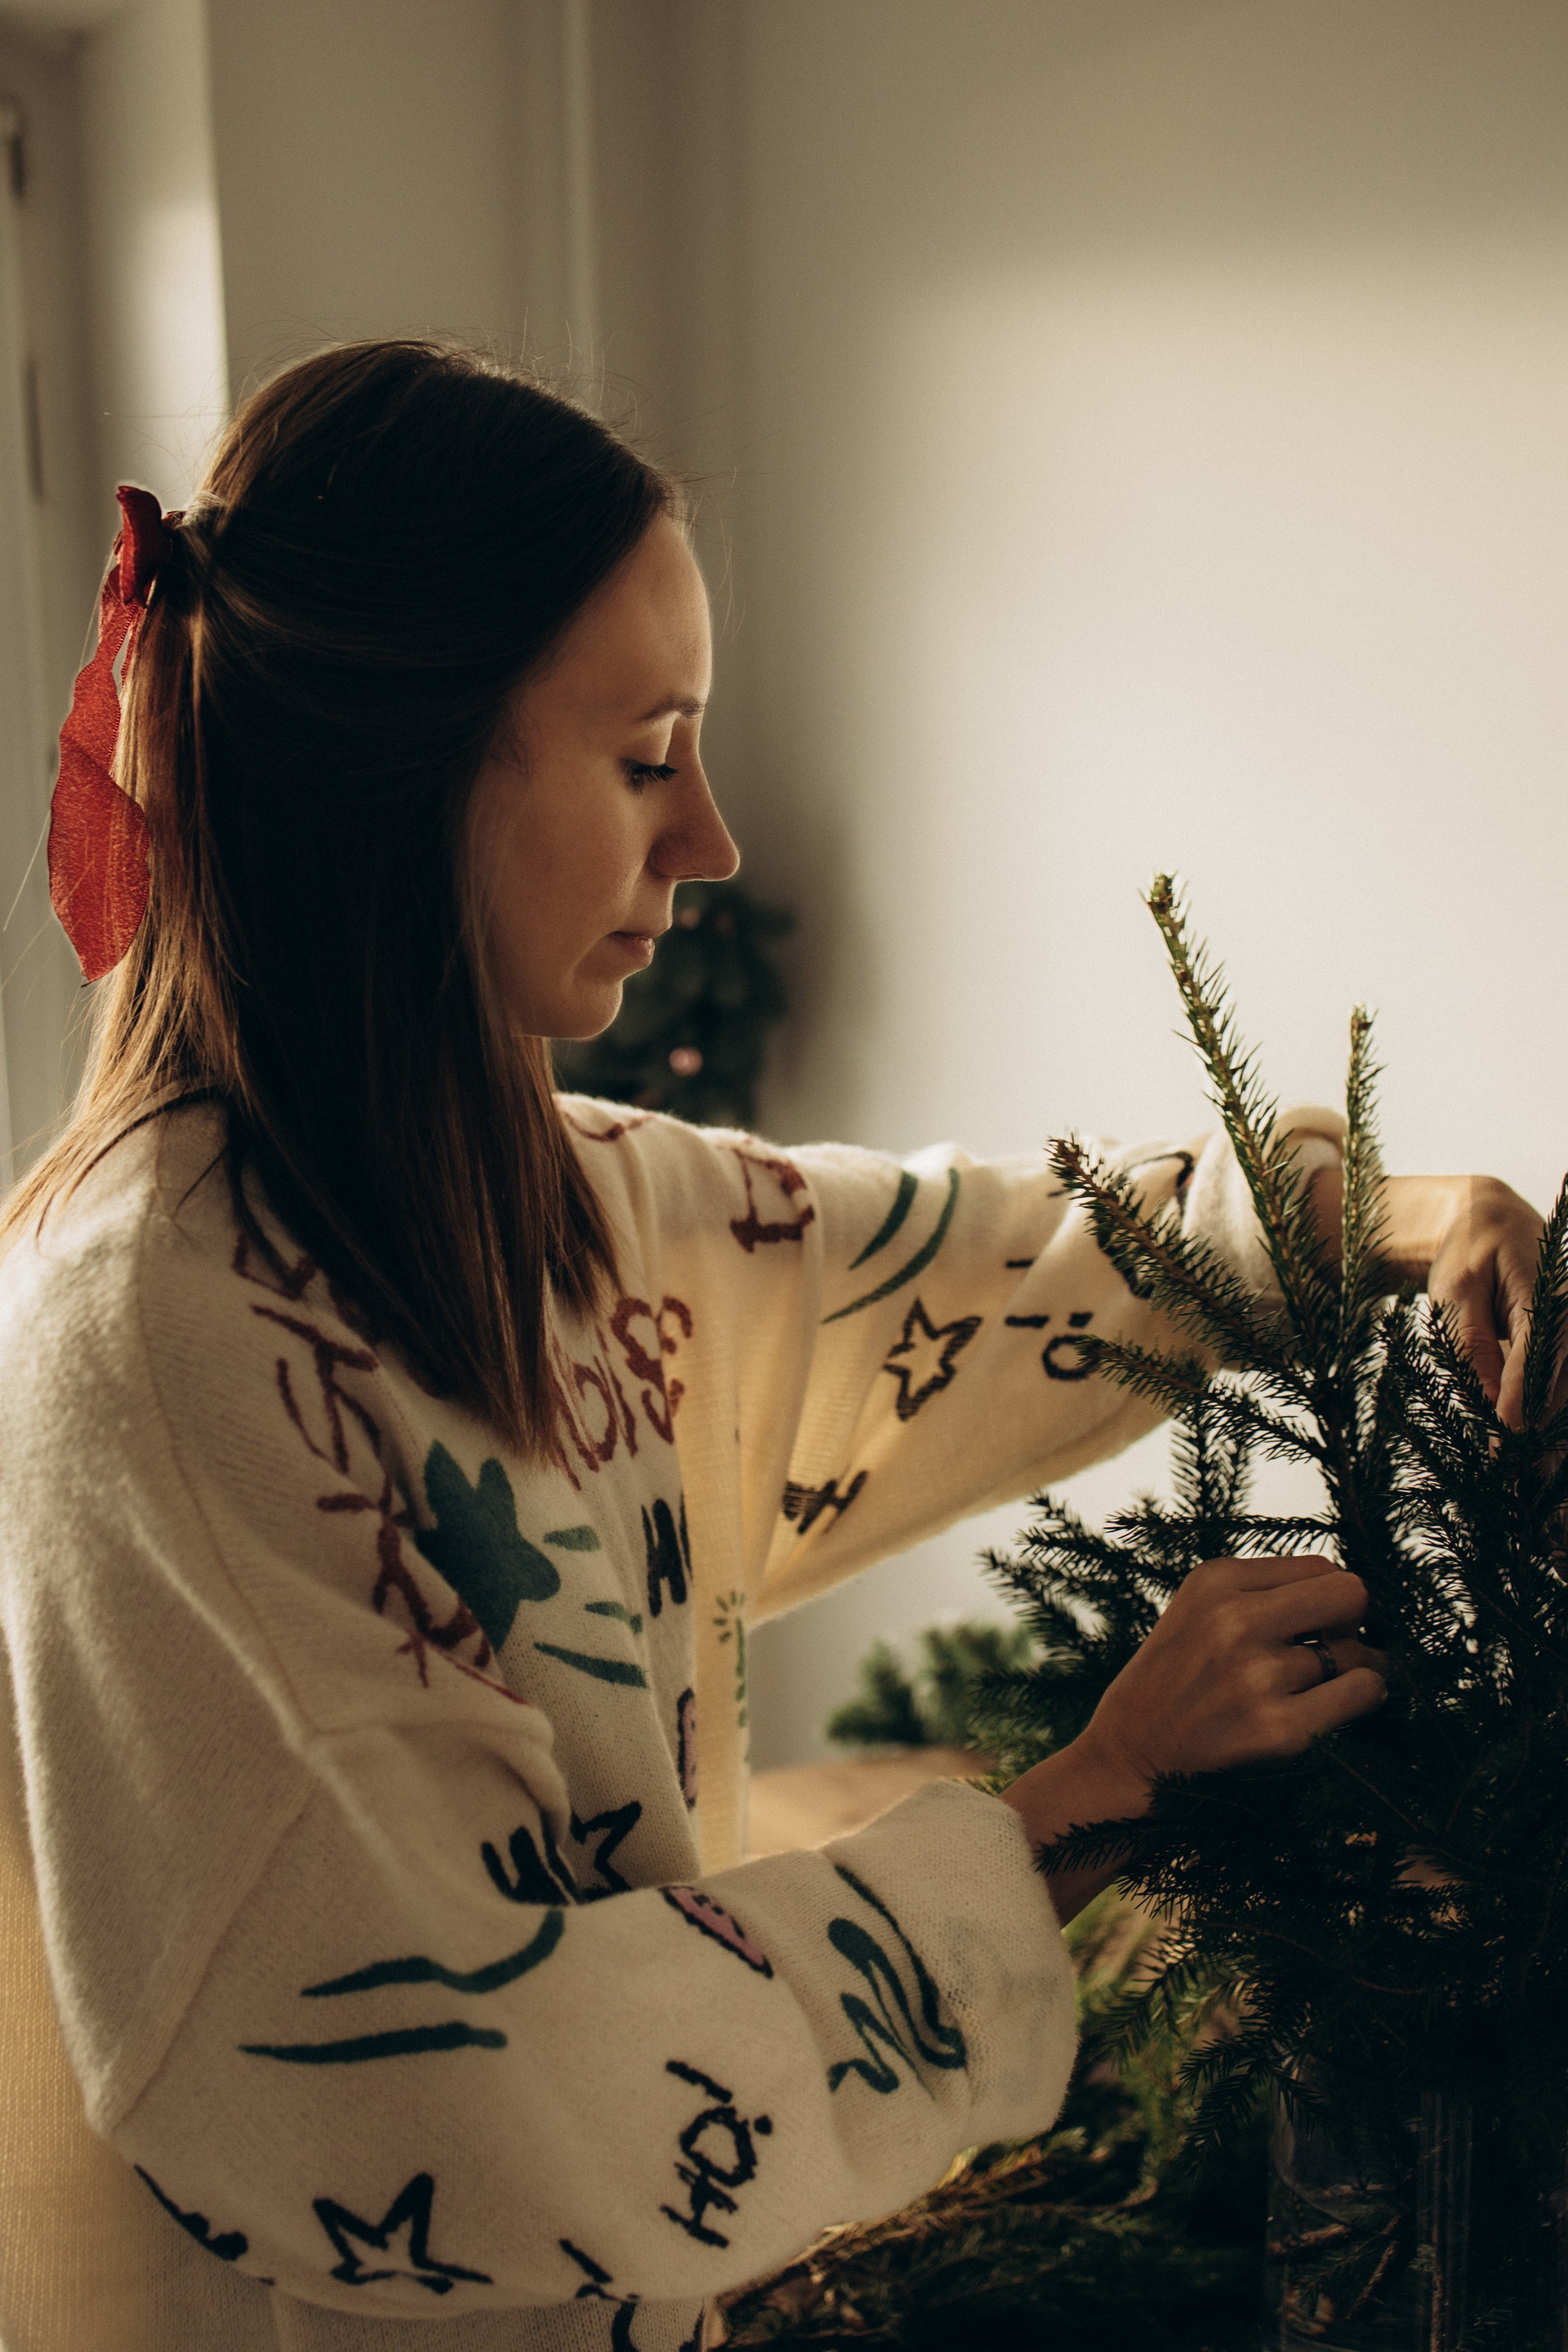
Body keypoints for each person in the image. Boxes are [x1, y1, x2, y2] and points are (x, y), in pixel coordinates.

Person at [0, 341, 1542, 2352]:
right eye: (648, 756)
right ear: (403, 777)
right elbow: (456, 2077)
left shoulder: (552, 1201)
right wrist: (1090, 1798)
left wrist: (1408, 1220)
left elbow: (965, 1264)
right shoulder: (158, 1331)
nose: (713, 837)